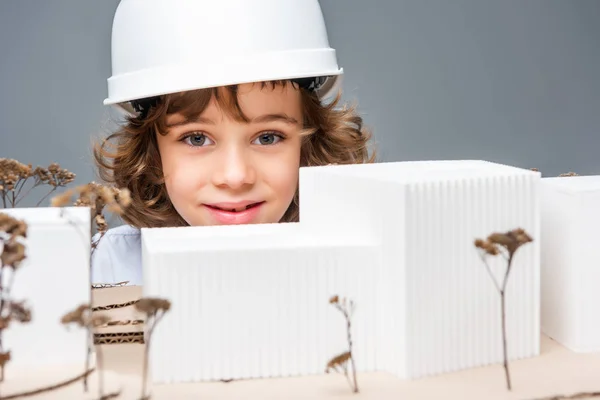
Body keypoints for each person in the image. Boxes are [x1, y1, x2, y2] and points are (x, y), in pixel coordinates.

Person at [90, 0, 377, 285]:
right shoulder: (106, 270)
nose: (235, 176)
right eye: (197, 138)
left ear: (309, 143)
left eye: (267, 138)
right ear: (152, 152)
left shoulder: (355, 270)